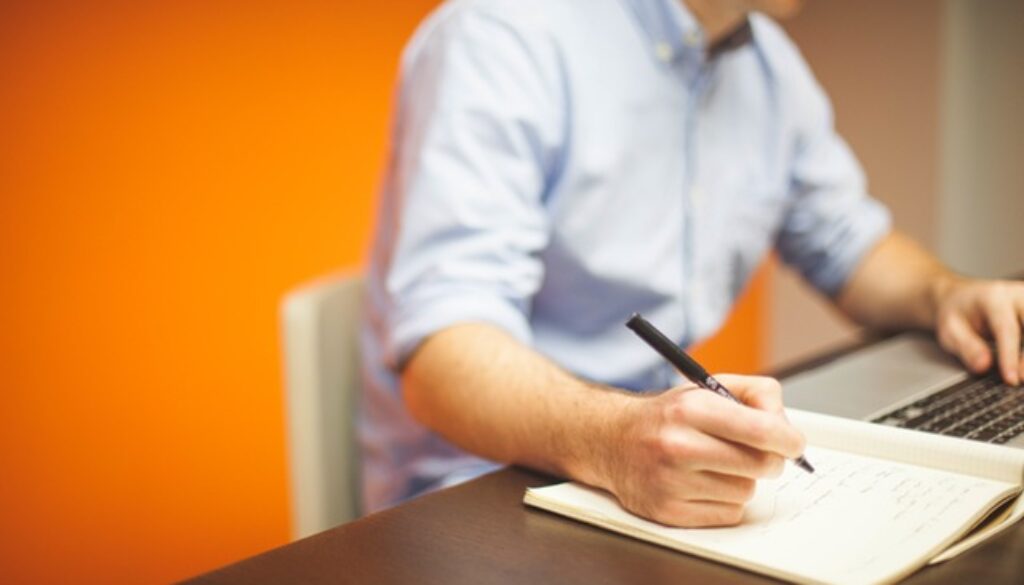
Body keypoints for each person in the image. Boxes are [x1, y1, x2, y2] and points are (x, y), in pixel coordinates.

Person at [358, 0, 1024, 526]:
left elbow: (847, 242)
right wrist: (614, 440)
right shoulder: (500, 36)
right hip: (479, 499)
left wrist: (946, 295)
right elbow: (442, 357)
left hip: (649, 469)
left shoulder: (768, 66)